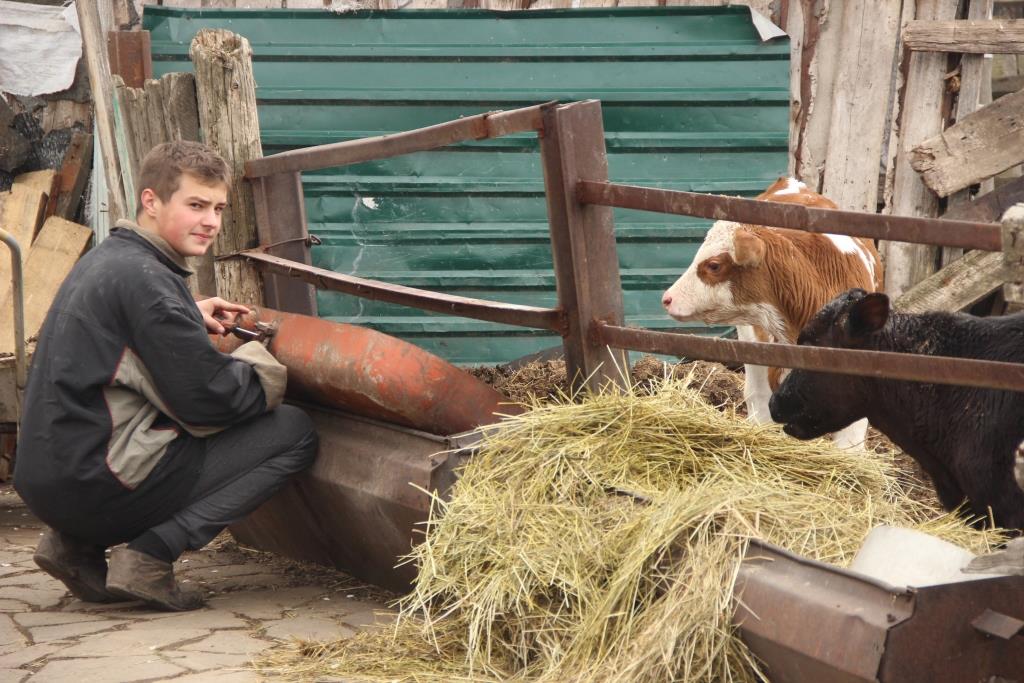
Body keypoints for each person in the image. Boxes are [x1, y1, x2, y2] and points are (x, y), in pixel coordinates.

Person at [14, 140, 319, 611]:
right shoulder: (150, 284)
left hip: (46, 482)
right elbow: (209, 403)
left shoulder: (108, 260)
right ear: (151, 201)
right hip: (93, 486)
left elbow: (128, 336)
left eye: (218, 208)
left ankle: (73, 547)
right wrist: (261, 362)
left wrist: (186, 312)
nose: (211, 221)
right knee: (293, 430)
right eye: (196, 205)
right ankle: (150, 557)